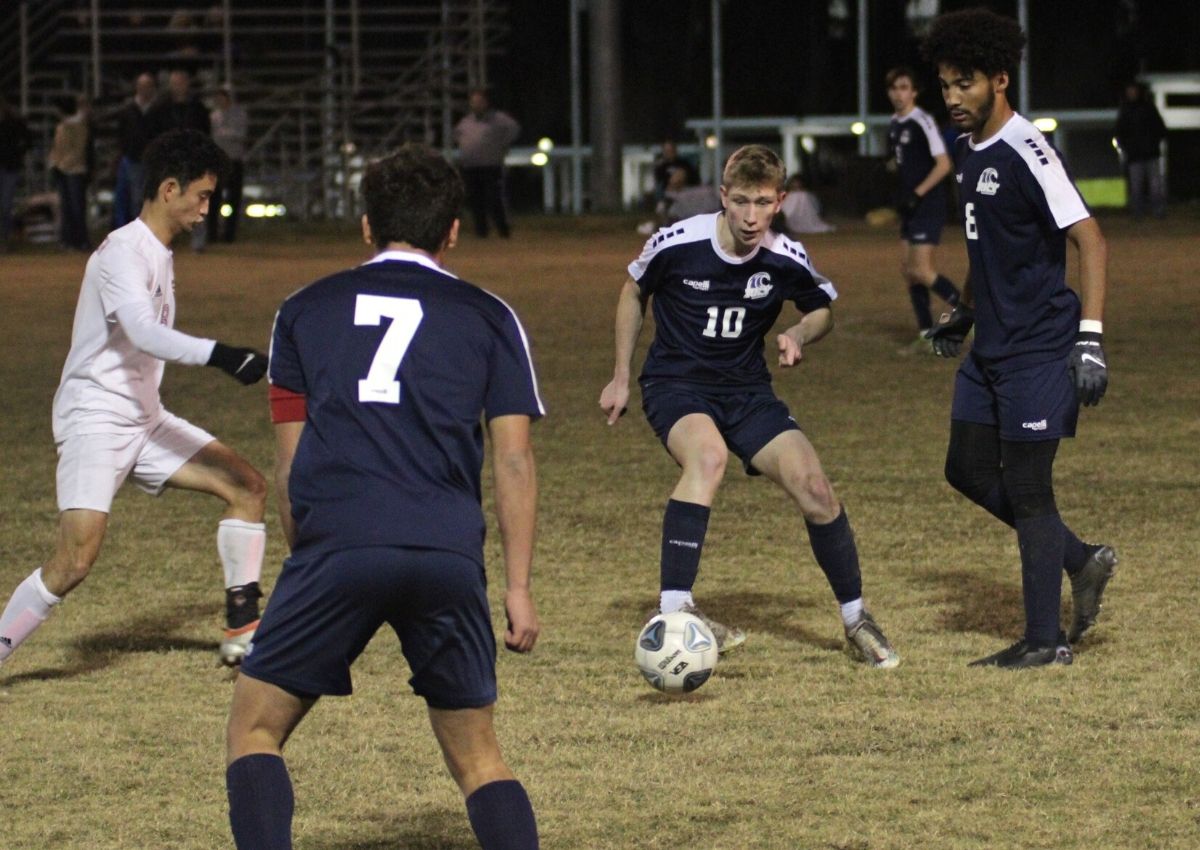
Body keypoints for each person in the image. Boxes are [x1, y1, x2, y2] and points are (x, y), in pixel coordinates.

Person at [225, 143, 544, 850]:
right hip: (447, 554)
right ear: (454, 231)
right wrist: (518, 589)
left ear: (366, 226)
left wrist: (309, 559)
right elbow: (514, 459)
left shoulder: (303, 311)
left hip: (338, 542)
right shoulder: (491, 316)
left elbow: (289, 465)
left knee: (254, 729)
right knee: (479, 756)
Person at [599, 144, 899, 668]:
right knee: (708, 459)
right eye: (740, 201)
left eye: (763, 202)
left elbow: (822, 309)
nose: (751, 216)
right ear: (723, 197)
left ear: (781, 200)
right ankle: (675, 612)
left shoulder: (785, 256)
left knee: (816, 488)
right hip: (677, 385)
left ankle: (856, 620)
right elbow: (632, 290)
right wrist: (621, 376)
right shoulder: (677, 242)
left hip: (747, 393)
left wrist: (800, 333)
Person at [0, 129, 271, 671]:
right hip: (96, 418)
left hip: (143, 420)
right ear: (169, 189)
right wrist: (222, 355)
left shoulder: (158, 252)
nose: (206, 207)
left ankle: (243, 630)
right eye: (202, 195)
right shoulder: (124, 252)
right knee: (74, 561)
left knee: (246, 486)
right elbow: (143, 332)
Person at [922, 8, 1117, 668]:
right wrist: (966, 314)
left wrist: (1089, 340)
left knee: (1031, 489)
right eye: (945, 85)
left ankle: (1043, 642)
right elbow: (988, 250)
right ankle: (1080, 560)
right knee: (966, 468)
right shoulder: (969, 151)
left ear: (999, 80)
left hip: (1039, 348)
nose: (952, 98)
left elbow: (1090, 240)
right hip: (993, 349)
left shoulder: (1031, 150)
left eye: (964, 83)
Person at [886, 66, 962, 349]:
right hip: (910, 205)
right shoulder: (895, 123)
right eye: (894, 88)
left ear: (914, 92)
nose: (898, 93)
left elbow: (944, 164)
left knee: (921, 270)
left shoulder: (923, 121)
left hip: (927, 204)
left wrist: (917, 193)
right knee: (908, 271)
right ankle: (925, 331)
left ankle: (970, 313)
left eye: (904, 87)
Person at [146, 68, 212, 251]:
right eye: (175, 83)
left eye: (182, 82)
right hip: (169, 162)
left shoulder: (198, 108)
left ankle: (198, 241)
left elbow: (206, 134)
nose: (178, 87)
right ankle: (165, 239)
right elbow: (153, 134)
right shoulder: (161, 108)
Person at [453, 89, 519, 238]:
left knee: (495, 199)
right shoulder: (466, 121)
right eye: (474, 102)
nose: (476, 104)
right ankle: (481, 231)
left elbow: (514, 129)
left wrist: (502, 144)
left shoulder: (498, 119)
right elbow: (457, 135)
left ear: (486, 103)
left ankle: (503, 231)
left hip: (491, 166)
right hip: (471, 167)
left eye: (479, 101)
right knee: (476, 200)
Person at [1115, 81, 1168, 219]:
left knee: (1155, 186)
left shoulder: (1148, 108)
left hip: (1151, 154)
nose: (1131, 93)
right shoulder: (1125, 110)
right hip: (1134, 156)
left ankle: (1158, 212)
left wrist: (1154, 142)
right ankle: (1137, 213)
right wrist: (1126, 147)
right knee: (1136, 186)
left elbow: (1160, 128)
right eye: (1129, 91)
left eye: (1133, 90)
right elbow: (1120, 132)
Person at [113, 72, 158, 229]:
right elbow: (122, 135)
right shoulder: (128, 110)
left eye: (148, 86)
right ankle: (140, 232)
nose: (145, 90)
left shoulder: (158, 109)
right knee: (136, 199)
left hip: (154, 161)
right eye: (142, 86)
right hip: (134, 160)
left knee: (154, 198)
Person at [48, 94, 92, 252]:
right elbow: (57, 148)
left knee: (76, 207)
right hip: (62, 170)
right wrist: (54, 163)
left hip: (75, 170)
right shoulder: (62, 126)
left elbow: (78, 150)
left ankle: (81, 240)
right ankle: (68, 240)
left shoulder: (78, 125)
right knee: (66, 207)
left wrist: (62, 164)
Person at [207, 87, 247, 243]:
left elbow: (240, 135)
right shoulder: (214, 117)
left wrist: (223, 135)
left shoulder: (240, 115)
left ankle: (229, 234)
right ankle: (212, 234)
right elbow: (214, 138)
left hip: (235, 160)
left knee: (234, 199)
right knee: (214, 199)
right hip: (218, 162)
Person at [0, 95, 32, 252]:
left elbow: (28, 140)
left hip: (9, 168)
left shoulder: (14, 123)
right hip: (8, 168)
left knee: (5, 205)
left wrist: (18, 153)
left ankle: (4, 239)